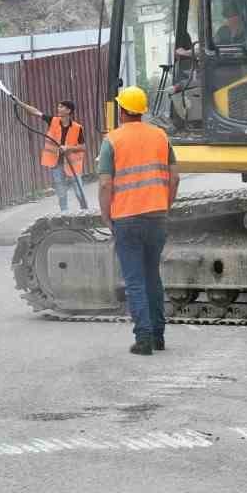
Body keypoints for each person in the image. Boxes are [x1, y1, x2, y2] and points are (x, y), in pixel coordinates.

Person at [98, 86, 179, 356]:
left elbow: (105, 184)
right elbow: (175, 177)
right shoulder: (160, 136)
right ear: (142, 112)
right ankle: (158, 337)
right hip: (157, 217)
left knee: (134, 280)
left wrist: (106, 215)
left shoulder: (112, 140)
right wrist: (165, 205)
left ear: (122, 111)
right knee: (152, 277)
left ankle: (143, 339)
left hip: (127, 218)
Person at [18, 98, 88, 212]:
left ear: (68, 110)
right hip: (56, 164)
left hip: (72, 166)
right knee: (61, 193)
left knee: (79, 192)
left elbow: (83, 147)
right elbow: (35, 112)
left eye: (61, 107)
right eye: (58, 106)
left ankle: (86, 214)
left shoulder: (77, 128)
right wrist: (20, 103)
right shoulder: (53, 121)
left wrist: (68, 148)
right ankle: (64, 215)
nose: (58, 108)